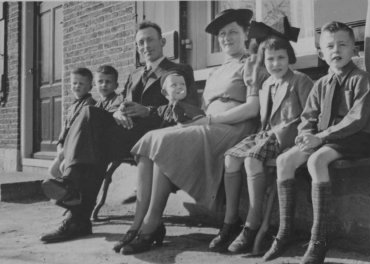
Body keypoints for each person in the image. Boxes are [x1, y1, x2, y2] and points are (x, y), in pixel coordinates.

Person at [114, 9, 269, 255]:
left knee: (161, 140)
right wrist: (190, 119)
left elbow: (252, 108)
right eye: (222, 34)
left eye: (233, 32)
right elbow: (204, 109)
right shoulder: (218, 69)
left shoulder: (251, 63)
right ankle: (139, 224)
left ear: (245, 34)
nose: (226, 38)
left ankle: (150, 225)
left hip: (235, 128)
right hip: (210, 125)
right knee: (151, 141)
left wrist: (209, 120)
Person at [39, 21, 197, 243]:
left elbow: (188, 108)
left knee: (93, 135)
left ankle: (74, 199)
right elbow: (122, 103)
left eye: (150, 39)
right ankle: (77, 215)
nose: (145, 46)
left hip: (158, 134)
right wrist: (116, 113)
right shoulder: (134, 74)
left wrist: (148, 110)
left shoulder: (179, 70)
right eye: (140, 42)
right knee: (90, 116)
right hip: (127, 134)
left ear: (162, 41)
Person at [263, 21, 370, 264]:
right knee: (285, 160)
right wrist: (305, 135)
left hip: (356, 139)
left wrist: (321, 138)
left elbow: (356, 120)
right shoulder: (321, 84)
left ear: (353, 49)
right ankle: (285, 232)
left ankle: (319, 238)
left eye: (342, 44)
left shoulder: (362, 79)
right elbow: (308, 116)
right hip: (323, 138)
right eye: (330, 46)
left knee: (317, 159)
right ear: (321, 54)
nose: (336, 50)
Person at [209, 17, 314, 253]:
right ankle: (229, 222)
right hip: (266, 134)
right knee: (231, 157)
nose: (276, 64)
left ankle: (252, 225)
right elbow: (263, 119)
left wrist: (302, 137)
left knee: (252, 158)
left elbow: (310, 115)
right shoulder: (266, 84)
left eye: (281, 58)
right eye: (270, 59)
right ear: (264, 61)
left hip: (287, 137)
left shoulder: (300, 80)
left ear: (290, 58)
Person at [42, 65, 122, 206]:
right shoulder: (97, 104)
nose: (104, 85)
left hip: (102, 147)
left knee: (65, 167)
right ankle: (72, 195)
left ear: (116, 84)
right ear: (96, 84)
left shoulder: (116, 101)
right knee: (55, 169)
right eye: (101, 82)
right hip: (84, 146)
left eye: (108, 82)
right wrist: (60, 148)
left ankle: (73, 196)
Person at [46, 68, 96, 190]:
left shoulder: (89, 105)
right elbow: (65, 129)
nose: (77, 86)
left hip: (78, 149)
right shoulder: (72, 106)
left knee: (65, 168)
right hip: (66, 147)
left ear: (90, 87)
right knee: (53, 170)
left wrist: (66, 150)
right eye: (74, 83)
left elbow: (81, 132)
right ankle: (69, 192)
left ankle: (75, 194)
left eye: (81, 83)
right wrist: (60, 145)